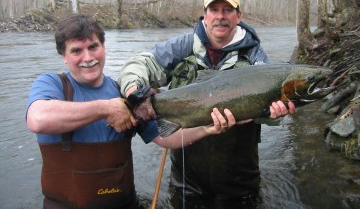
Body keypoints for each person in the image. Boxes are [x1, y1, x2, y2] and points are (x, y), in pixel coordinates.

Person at [26, 14, 235, 209]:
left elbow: (167, 138)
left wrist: (208, 129)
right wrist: (106, 108)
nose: (87, 57)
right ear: (63, 55)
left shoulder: (125, 93)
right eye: (76, 51)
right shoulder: (52, 85)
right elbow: (38, 119)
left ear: (104, 47)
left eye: (93, 46)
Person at [119, 0, 296, 208]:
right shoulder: (182, 46)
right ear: (205, 15)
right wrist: (135, 93)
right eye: (214, 9)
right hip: (186, 180)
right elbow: (137, 64)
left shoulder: (255, 58)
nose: (220, 17)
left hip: (238, 182)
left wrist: (274, 115)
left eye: (227, 10)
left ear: (238, 16)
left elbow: (268, 114)